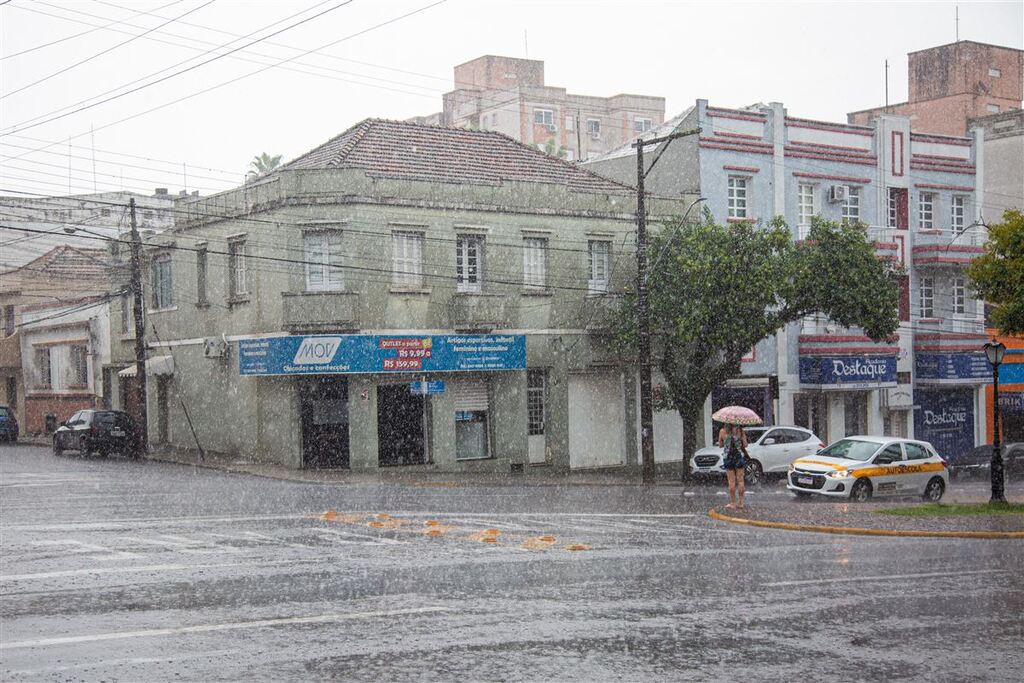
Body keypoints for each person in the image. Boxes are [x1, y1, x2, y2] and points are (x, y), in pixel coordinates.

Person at [719, 424, 749, 509]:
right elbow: (746, 444)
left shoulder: (722, 431)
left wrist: (726, 441)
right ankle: (741, 503)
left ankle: (733, 503)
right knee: (740, 481)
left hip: (728, 457)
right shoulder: (740, 431)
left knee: (731, 482)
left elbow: (720, 445)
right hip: (739, 457)